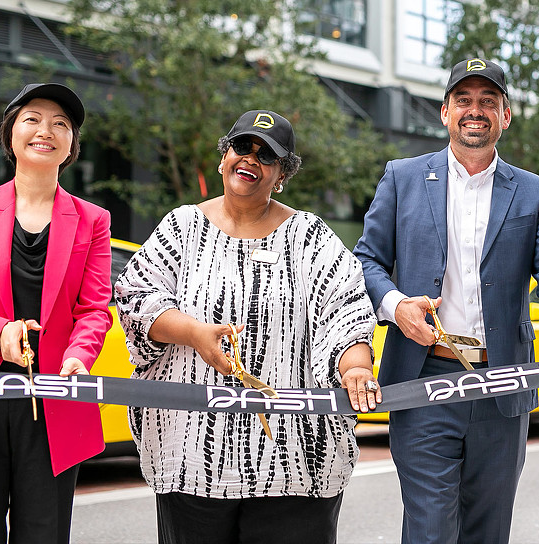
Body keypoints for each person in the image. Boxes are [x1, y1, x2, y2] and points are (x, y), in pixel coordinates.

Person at [353, 57, 539, 544]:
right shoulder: (402, 177)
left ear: (505, 116)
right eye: (463, 100)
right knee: (430, 528)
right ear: (445, 112)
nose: (475, 111)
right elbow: (367, 261)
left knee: (488, 528)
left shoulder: (535, 192)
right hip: (423, 380)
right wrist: (396, 304)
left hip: (503, 382)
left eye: (488, 101)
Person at [115, 110, 378, 544]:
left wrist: (354, 368)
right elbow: (138, 299)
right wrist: (195, 333)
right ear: (223, 158)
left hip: (295, 459)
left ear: (281, 175)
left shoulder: (310, 237)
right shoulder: (181, 228)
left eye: (268, 156)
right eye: (243, 147)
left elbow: (346, 311)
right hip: (191, 456)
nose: (251, 160)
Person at [0, 83, 112, 544]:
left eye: (61, 124)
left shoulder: (93, 220)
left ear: (71, 144)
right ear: (11, 132)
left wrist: (78, 357)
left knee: (44, 535)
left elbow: (94, 309)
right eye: (32, 118)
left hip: (54, 402)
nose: (45, 131)